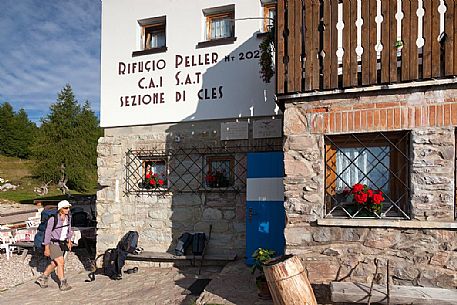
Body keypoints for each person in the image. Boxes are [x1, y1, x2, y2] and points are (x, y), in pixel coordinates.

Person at [35, 200, 73, 291]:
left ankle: (43, 277)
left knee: (55, 263)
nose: (68, 209)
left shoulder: (69, 217)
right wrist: (46, 248)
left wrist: (69, 241)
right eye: (65, 208)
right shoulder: (53, 219)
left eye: (68, 208)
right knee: (61, 262)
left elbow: (69, 229)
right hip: (53, 243)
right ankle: (63, 283)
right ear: (60, 209)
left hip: (62, 243)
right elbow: (47, 234)